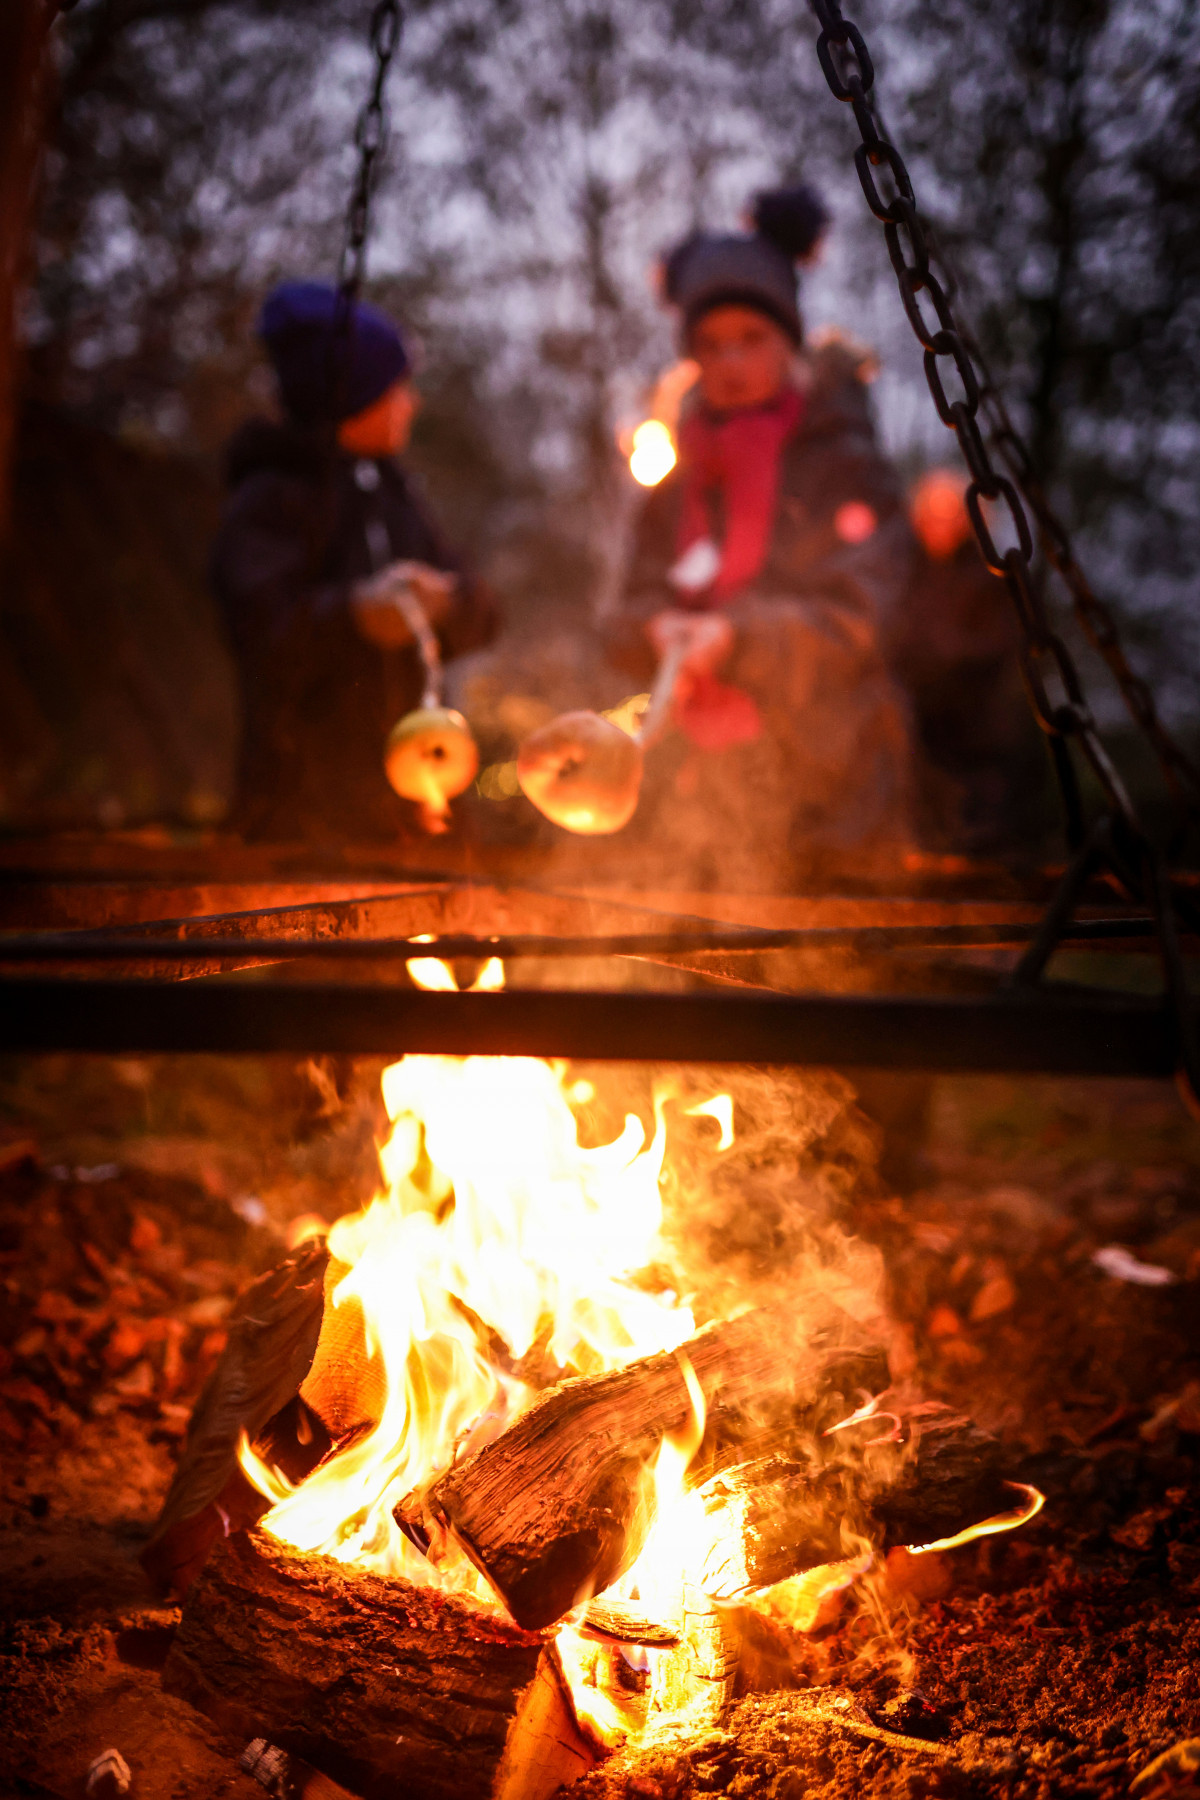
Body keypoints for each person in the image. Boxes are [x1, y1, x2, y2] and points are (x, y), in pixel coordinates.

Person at [606, 186, 917, 889]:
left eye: (753, 339)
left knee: (836, 983)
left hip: (836, 794)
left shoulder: (846, 464)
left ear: (789, 340)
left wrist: (738, 639)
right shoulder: (679, 478)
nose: (733, 363)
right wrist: (656, 627)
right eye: (712, 345)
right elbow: (625, 610)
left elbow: (863, 619)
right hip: (699, 794)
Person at [212, 281, 496, 843]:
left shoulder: (394, 493)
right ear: (352, 398)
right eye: (397, 387)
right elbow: (260, 629)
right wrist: (354, 617)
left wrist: (448, 604)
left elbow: (482, 610)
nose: (411, 402)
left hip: (412, 811)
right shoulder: (275, 496)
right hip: (302, 814)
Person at [885, 467, 1043, 856]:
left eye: (949, 515)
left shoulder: (992, 577)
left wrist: (931, 663)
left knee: (976, 844)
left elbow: (994, 648)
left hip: (974, 740)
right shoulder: (902, 570)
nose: (937, 525)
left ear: (969, 521)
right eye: (930, 515)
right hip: (912, 738)